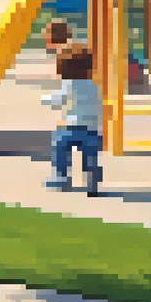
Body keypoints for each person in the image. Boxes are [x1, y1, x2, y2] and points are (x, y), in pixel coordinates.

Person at [42, 36, 103, 196]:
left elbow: (57, 100)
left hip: (70, 128)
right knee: (90, 155)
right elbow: (99, 106)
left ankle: (61, 175)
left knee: (59, 145)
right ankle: (92, 178)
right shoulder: (95, 86)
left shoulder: (68, 84)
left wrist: (45, 98)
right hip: (91, 130)